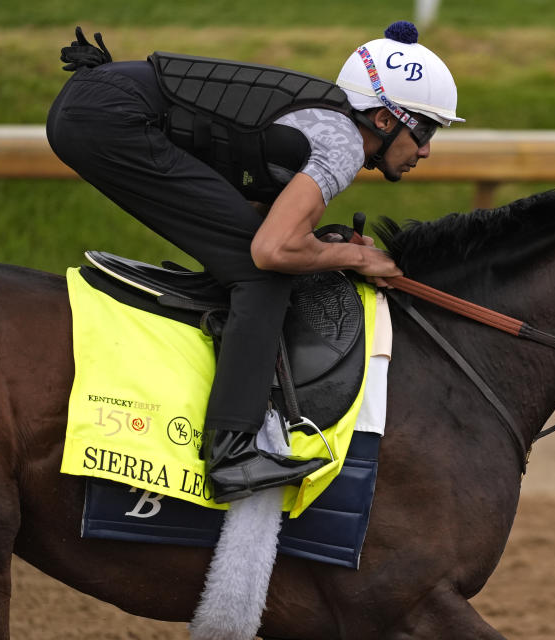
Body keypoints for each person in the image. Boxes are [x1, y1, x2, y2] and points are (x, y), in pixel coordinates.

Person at [46, 21, 463, 503]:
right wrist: (356, 257)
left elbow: (268, 223)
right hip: (108, 117)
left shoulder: (328, 121)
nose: (428, 149)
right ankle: (233, 451)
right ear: (386, 121)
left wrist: (333, 246)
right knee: (261, 278)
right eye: (425, 129)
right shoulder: (343, 141)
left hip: (97, 106)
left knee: (253, 260)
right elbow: (272, 250)